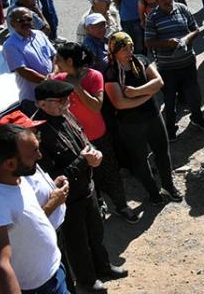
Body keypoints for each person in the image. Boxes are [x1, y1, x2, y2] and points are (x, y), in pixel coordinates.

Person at [31, 79, 128, 291]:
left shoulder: (65, 114)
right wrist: (83, 161)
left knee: (96, 233)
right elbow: (50, 177)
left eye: (67, 99)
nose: (67, 103)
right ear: (42, 104)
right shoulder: (36, 134)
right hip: (68, 199)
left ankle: (103, 267)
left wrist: (95, 153)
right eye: (60, 100)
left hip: (87, 188)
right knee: (77, 243)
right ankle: (87, 280)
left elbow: (83, 140)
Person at [0, 124, 70, 294]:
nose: (39, 156)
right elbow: (1, 264)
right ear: (9, 164)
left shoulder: (10, 173)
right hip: (39, 287)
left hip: (53, 270)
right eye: (33, 154)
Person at [103, 33, 182, 204]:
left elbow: (159, 82)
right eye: (124, 49)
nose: (129, 51)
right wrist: (149, 93)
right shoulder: (111, 72)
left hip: (152, 115)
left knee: (162, 152)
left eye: (130, 47)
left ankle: (169, 186)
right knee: (140, 159)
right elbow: (120, 104)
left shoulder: (140, 60)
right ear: (114, 51)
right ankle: (153, 192)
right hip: (131, 124)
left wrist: (136, 92)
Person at [144, 0, 204, 140]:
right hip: (167, 68)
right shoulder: (152, 17)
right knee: (170, 99)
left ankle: (197, 118)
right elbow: (149, 43)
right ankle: (170, 129)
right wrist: (168, 43)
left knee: (194, 95)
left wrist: (187, 38)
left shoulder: (182, 9)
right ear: (157, 1)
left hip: (188, 63)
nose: (167, 1)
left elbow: (196, 29)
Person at [2, 7, 55, 102]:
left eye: (29, 19)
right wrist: (48, 82)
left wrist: (55, 75)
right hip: (34, 97)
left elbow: (54, 56)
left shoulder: (40, 34)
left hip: (53, 89)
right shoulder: (10, 45)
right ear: (12, 24)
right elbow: (23, 71)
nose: (26, 22)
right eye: (21, 20)